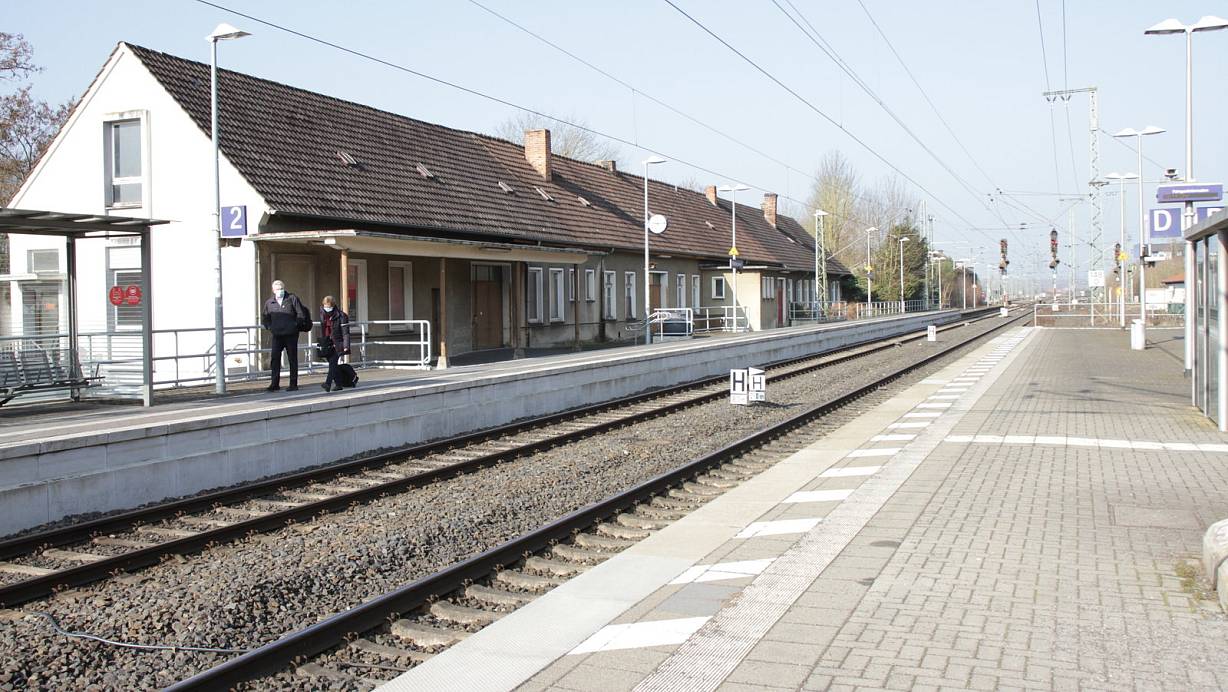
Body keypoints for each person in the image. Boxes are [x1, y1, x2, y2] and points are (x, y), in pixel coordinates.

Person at [261, 279, 311, 392]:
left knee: (292, 358)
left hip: (291, 334)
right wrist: (270, 327)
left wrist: (295, 325)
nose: (280, 291)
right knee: (275, 359)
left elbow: (300, 313)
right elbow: (265, 317)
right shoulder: (270, 303)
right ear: (273, 290)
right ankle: (275, 384)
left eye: (281, 288)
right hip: (277, 335)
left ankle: (293, 383)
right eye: (277, 289)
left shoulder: (292, 298)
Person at [318, 295, 350, 392]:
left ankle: (328, 383)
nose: (327, 308)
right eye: (325, 306)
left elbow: (345, 332)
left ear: (333, 305)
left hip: (338, 343)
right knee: (333, 364)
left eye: (328, 306)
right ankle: (339, 384)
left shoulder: (342, 316)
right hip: (327, 343)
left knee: (332, 363)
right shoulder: (322, 314)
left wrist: (346, 345)